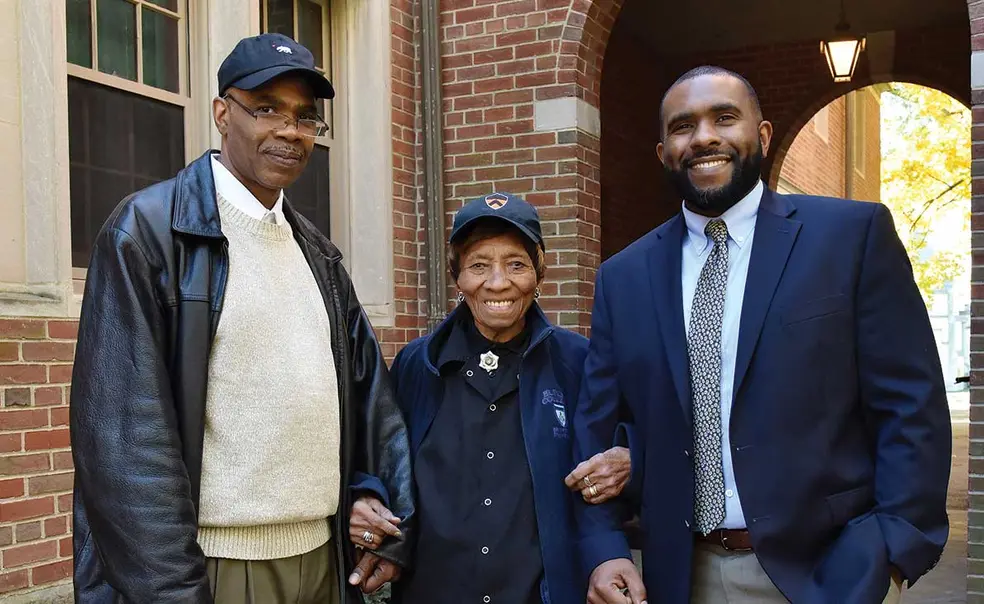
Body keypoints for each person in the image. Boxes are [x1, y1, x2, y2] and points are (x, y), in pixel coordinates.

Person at [572, 65, 951, 604]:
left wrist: (891, 546)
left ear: (764, 135)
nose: (704, 136)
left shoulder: (851, 237)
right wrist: (605, 546)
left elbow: (911, 405)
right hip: (677, 575)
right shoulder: (622, 277)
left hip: (827, 573)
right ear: (663, 153)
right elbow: (598, 428)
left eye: (724, 117)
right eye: (683, 126)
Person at [69, 33, 414, 603]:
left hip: (323, 559)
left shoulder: (318, 255)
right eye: (267, 109)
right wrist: (174, 591)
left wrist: (383, 511)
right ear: (221, 114)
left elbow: (370, 401)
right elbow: (123, 445)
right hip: (216, 567)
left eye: (306, 117)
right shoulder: (151, 233)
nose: (290, 130)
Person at [348, 193, 631, 603]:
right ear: (456, 275)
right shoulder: (416, 364)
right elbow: (378, 458)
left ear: (539, 271)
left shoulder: (578, 362)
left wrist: (629, 458)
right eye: (479, 265)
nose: (498, 283)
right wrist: (368, 495)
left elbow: (621, 454)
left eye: (516, 264)